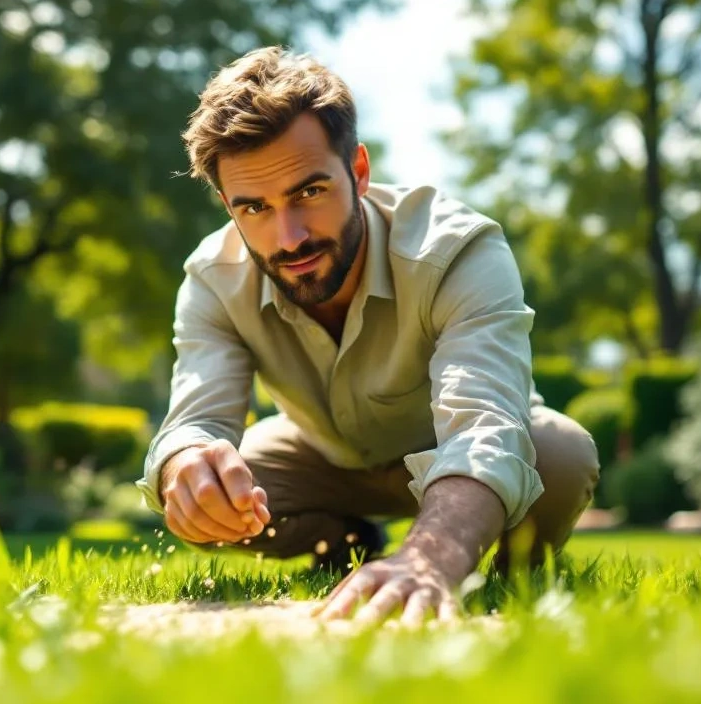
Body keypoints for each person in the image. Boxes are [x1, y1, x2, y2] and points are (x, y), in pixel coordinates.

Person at [134, 46, 600, 626]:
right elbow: (196, 420)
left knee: (561, 452)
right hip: (321, 457)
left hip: (457, 453)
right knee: (213, 490)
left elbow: (485, 426)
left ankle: (492, 566)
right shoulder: (212, 277)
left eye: (309, 193)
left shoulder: (458, 250)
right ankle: (350, 541)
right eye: (254, 207)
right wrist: (185, 468)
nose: (289, 238)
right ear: (228, 206)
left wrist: (431, 558)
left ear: (357, 171)